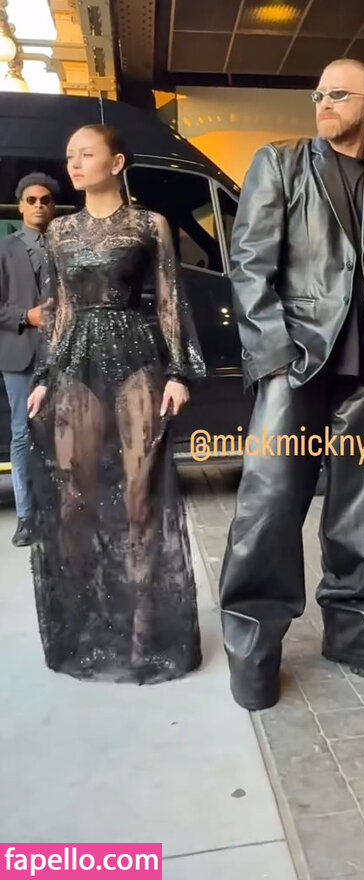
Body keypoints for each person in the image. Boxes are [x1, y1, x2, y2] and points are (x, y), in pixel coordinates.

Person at [219, 58, 364, 710]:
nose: (324, 103)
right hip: (295, 367)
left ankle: (360, 634)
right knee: (267, 512)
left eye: (338, 94)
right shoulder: (279, 164)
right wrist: (275, 358)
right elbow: (249, 266)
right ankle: (254, 652)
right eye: (318, 94)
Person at [26, 124, 207, 684]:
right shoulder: (59, 231)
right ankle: (87, 625)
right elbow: (57, 309)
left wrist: (178, 371)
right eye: (70, 156)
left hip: (137, 362)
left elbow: (170, 299)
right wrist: (43, 376)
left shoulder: (149, 225)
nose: (74, 164)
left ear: (117, 162)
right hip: (74, 365)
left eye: (87, 154)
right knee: (74, 499)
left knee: (139, 499)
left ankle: (144, 632)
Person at [0, 173, 59, 546]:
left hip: (63, 353)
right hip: (19, 354)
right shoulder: (5, 249)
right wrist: (27, 316)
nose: (39, 205)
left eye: (46, 200)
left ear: (54, 207)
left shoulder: (64, 246)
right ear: (20, 206)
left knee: (63, 434)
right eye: (32, 200)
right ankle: (27, 518)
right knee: (23, 434)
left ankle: (61, 514)